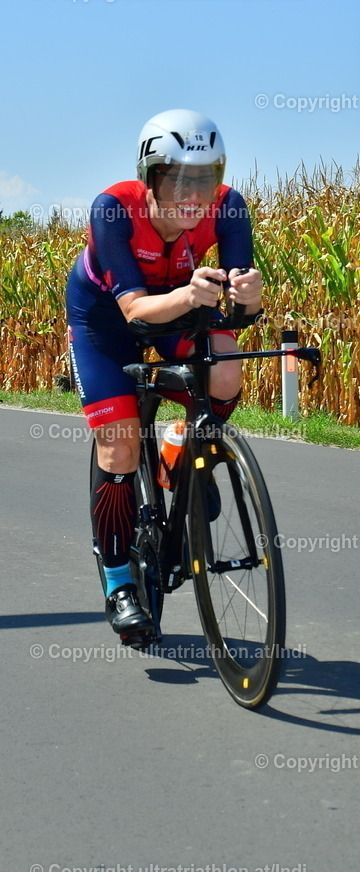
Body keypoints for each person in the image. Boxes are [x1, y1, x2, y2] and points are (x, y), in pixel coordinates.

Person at [66, 109, 262, 639]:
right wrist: (188, 296)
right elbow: (133, 310)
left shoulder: (229, 207)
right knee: (119, 448)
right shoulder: (113, 210)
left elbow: (238, 311)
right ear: (150, 177)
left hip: (178, 306)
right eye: (178, 179)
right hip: (106, 322)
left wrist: (249, 298)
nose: (192, 194)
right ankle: (119, 584)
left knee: (225, 369)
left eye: (205, 178)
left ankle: (183, 448)